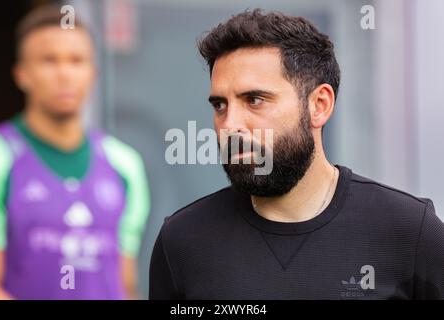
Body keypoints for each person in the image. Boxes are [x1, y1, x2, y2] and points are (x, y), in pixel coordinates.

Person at [149, 9, 444, 299]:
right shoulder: (182, 243)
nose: (230, 125)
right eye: (220, 105)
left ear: (319, 105)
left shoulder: (410, 233)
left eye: (254, 100)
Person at [0, 5, 150, 299]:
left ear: (93, 73)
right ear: (22, 74)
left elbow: (125, 282)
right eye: (49, 60)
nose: (64, 73)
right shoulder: (0, 156)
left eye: (76, 61)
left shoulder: (124, 163)